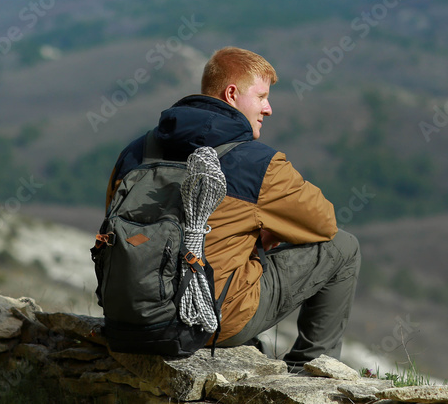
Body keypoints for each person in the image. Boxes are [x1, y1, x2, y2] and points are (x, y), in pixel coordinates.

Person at [105, 46, 361, 367]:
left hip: (129, 315)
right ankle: (310, 370)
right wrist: (264, 230)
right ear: (231, 94)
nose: (268, 109)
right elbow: (324, 222)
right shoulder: (258, 164)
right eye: (262, 96)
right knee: (343, 246)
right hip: (209, 323)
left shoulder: (137, 150)